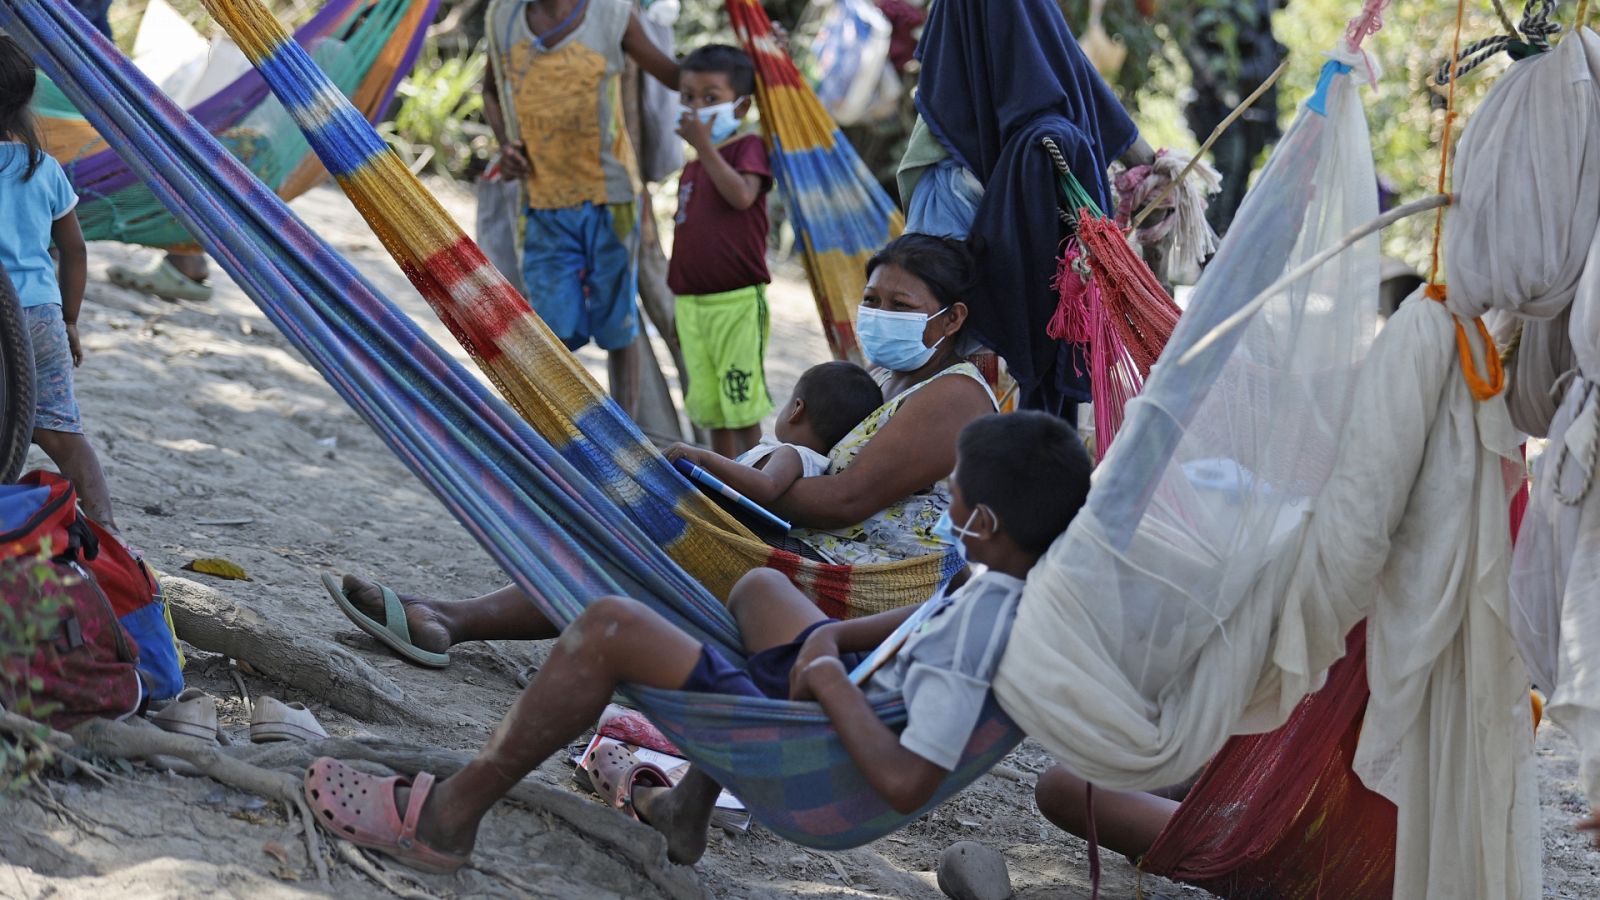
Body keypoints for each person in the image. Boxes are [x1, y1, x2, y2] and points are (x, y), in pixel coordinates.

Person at [300, 411, 1093, 872]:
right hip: (839, 697)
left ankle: (445, 819)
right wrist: (830, 640)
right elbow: (926, 615)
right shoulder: (1006, 581)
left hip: (824, 760)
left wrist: (824, 676)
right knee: (756, 589)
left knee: (609, 624)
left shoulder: (977, 642)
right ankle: (687, 805)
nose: (946, 497)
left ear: (982, 521)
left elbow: (906, 785)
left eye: (954, 490)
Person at [322, 234, 998, 665]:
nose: (878, 313)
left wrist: (729, 477)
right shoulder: (888, 377)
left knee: (652, 518)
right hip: (810, 556)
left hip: (857, 593)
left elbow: (840, 500)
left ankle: (452, 618)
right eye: (872, 297)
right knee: (638, 506)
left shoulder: (954, 397)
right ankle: (451, 618)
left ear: (953, 317)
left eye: (899, 304)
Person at [480, 0, 679, 393]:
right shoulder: (502, 17)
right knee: (553, 330)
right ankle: (558, 437)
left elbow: (676, 77)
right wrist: (507, 144)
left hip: (611, 201)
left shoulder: (613, 15)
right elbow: (490, 90)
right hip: (540, 205)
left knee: (618, 327)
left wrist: (756, 60)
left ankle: (625, 438)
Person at [0, 37, 118, 532]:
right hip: (43, 315)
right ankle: (110, 530)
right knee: (62, 431)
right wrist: (69, 319)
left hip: (5, 316)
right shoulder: (43, 169)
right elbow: (74, 249)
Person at [669, 44, 775, 459]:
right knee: (711, 407)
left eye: (710, 98)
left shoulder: (745, 147)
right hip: (692, 304)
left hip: (736, 303)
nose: (696, 108)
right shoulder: (693, 166)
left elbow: (742, 197)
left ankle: (755, 482)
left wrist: (705, 148)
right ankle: (723, 481)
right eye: (688, 97)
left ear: (742, 105)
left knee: (741, 402)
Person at [665, 360, 882, 507]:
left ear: (797, 409)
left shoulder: (793, 454)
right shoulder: (801, 457)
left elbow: (767, 487)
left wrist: (706, 457)